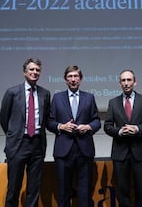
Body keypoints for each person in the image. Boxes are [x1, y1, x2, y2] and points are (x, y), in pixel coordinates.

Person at [47, 65, 101, 207]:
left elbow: (96, 121)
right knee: (63, 191)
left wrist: (89, 126)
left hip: (84, 150)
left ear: (81, 79)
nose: (73, 79)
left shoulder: (89, 97)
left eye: (76, 76)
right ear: (65, 80)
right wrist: (61, 126)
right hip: (63, 151)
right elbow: (50, 122)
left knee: (84, 191)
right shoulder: (57, 98)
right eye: (70, 77)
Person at [0, 58, 51, 207]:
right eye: (31, 69)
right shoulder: (12, 92)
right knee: (13, 187)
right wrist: (13, 135)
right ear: (24, 72)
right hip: (18, 144)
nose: (35, 72)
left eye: (37, 70)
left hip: (37, 145)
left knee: (34, 188)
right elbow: (4, 119)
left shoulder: (45, 94)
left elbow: (46, 118)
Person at [104, 69, 142, 207]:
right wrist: (120, 131)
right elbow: (107, 126)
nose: (126, 83)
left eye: (129, 80)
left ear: (135, 82)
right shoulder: (113, 102)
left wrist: (137, 129)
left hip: (141, 153)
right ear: (119, 83)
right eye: (123, 80)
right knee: (123, 193)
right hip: (120, 154)